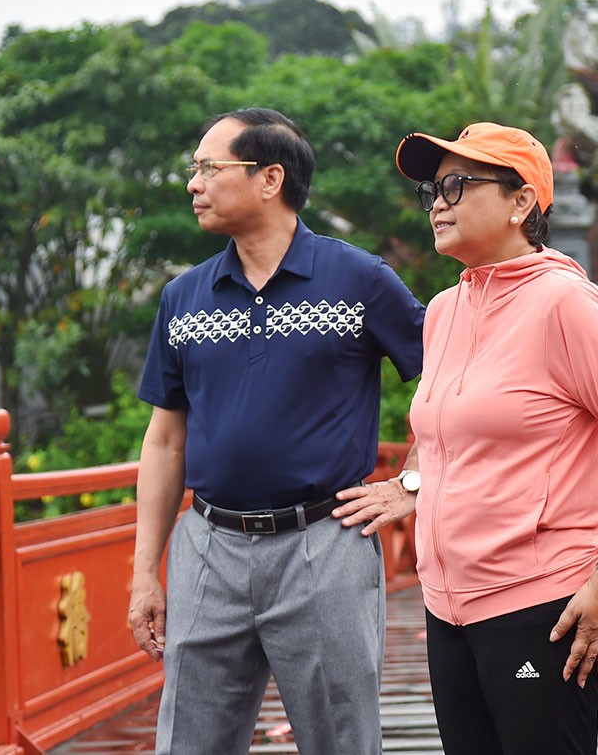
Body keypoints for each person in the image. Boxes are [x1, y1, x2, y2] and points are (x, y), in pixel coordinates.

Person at [334, 122, 598, 754]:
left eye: (455, 185)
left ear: (521, 201)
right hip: (447, 609)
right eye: (431, 191)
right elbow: (441, 427)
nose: (437, 202)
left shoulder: (562, 302)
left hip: (540, 608)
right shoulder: (444, 310)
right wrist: (412, 482)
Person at [128, 107, 425, 755]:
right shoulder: (184, 297)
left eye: (209, 167)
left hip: (324, 540)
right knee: (188, 742)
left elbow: (448, 378)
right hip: (208, 545)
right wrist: (144, 570)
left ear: (270, 178)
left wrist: (413, 481)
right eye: (194, 170)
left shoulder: (359, 280)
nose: (193, 183)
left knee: (341, 740)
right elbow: (165, 439)